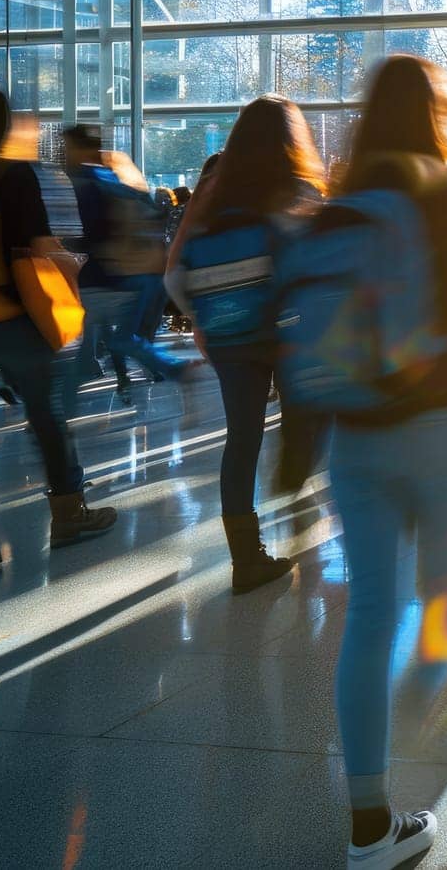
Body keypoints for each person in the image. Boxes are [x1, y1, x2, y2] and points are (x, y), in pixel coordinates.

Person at [323, 55, 447, 867]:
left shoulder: (337, 205)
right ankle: (420, 723)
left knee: (370, 611)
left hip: (355, 429)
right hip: (445, 423)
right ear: (438, 112)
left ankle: (369, 819)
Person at [165, 95, 325, 594]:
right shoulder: (297, 189)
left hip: (229, 334)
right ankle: (296, 489)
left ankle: (245, 558)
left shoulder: (212, 190)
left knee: (242, 440)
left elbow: (174, 275)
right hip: (288, 329)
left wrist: (203, 319)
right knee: (306, 417)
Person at [0, 89, 116, 582]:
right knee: (47, 417)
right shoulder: (13, 174)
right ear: (5, 127)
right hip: (11, 319)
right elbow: (41, 245)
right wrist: (73, 269)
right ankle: (69, 514)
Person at [62, 124, 188, 412]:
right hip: (121, 276)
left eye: (68, 147)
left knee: (105, 346)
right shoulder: (110, 180)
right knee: (118, 340)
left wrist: (64, 245)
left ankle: (56, 418)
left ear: (82, 149)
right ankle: (164, 369)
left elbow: (92, 234)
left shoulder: (88, 180)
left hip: (104, 277)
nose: (64, 153)